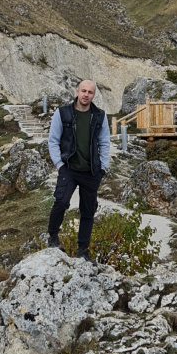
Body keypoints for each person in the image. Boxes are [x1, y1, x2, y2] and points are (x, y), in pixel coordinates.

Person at [47, 78, 111, 259]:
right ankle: (52, 237)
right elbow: (53, 140)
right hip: (69, 168)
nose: (86, 95)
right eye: (83, 91)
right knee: (61, 201)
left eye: (90, 92)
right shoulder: (63, 113)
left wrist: (103, 168)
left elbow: (104, 142)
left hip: (91, 172)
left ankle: (82, 250)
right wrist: (59, 164)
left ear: (93, 95)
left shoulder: (99, 115)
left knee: (88, 211)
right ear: (77, 91)